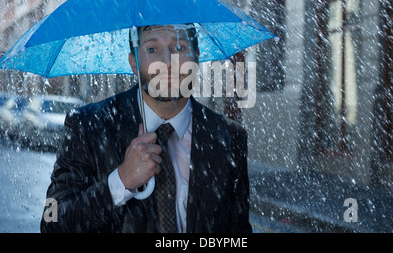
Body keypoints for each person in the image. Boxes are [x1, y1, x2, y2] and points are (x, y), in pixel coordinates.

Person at [40, 24, 252, 233]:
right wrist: (121, 180)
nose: (168, 63)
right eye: (152, 49)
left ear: (196, 58)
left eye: (179, 48)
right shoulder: (88, 126)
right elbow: (53, 223)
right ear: (134, 62)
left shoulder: (228, 137)